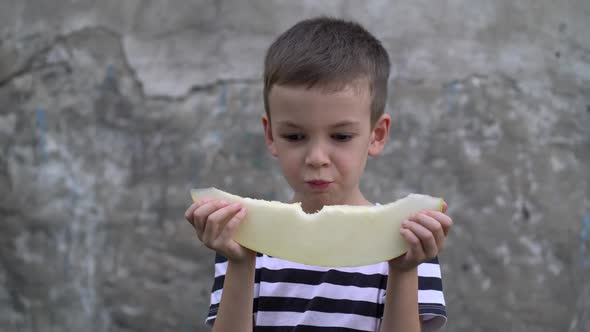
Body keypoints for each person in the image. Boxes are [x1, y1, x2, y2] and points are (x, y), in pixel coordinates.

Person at [184, 16, 453, 332]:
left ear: (377, 135)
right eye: (295, 137)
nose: (316, 158)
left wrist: (403, 271)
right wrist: (242, 264)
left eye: (340, 137)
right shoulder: (243, 242)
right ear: (271, 136)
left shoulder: (408, 243)